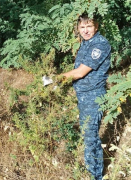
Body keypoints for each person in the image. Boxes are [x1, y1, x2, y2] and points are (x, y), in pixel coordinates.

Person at [43, 13, 111, 180]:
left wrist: (54, 79)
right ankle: (91, 172)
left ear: (96, 26)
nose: (86, 30)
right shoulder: (86, 43)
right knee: (87, 134)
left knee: (90, 136)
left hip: (93, 97)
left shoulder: (99, 44)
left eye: (89, 26)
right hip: (83, 96)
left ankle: (95, 176)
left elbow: (80, 72)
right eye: (82, 27)